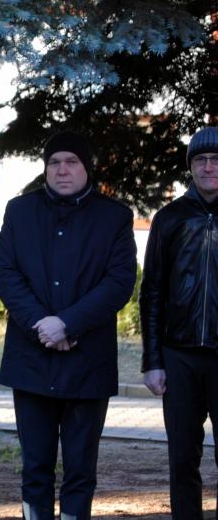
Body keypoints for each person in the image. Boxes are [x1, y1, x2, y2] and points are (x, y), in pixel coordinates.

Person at [0, 131, 136, 520]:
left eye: (72, 162)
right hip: (31, 360)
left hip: (87, 362)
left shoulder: (114, 217)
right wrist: (42, 324)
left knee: (80, 471)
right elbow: (6, 273)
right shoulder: (20, 211)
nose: (62, 170)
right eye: (54, 162)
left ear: (87, 167)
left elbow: (119, 282)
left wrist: (68, 324)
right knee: (35, 468)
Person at [140, 126, 218, 519]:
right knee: (183, 456)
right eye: (201, 159)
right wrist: (152, 361)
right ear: (191, 167)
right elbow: (152, 291)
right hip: (179, 356)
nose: (209, 167)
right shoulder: (169, 218)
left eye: (216, 160)